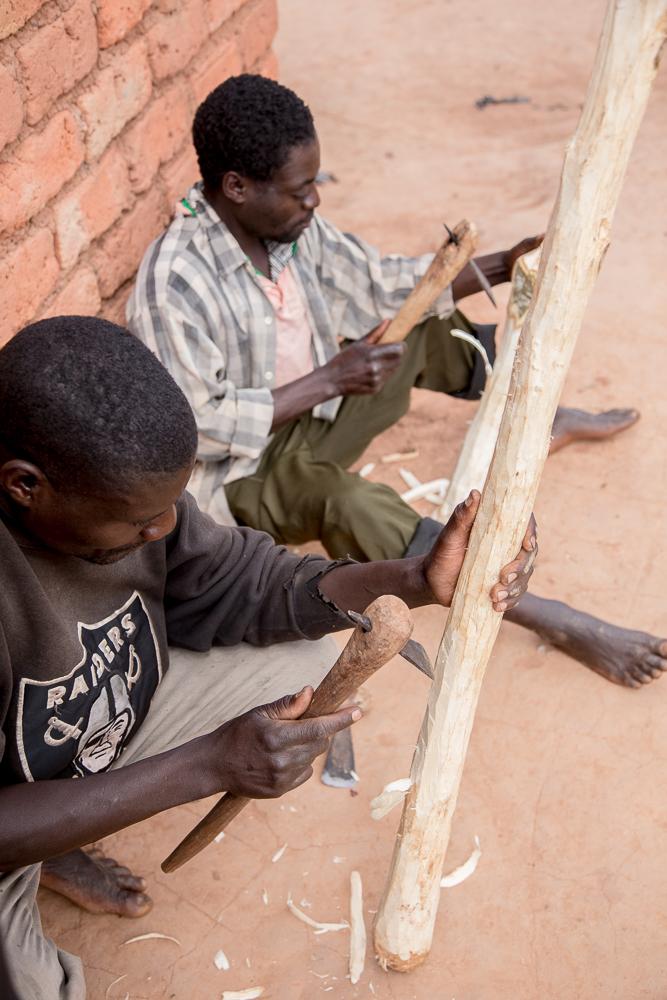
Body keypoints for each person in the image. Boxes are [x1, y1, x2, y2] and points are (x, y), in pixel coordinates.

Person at [0, 316, 535, 998]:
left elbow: (239, 578)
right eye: (138, 520)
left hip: (80, 742)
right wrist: (205, 764)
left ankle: (62, 832)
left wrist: (411, 577)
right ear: (24, 485)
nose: (162, 529)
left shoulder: (125, 504)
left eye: (170, 507)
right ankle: (40, 850)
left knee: (301, 664)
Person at [129, 73, 666, 690]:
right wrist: (331, 378)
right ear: (237, 187)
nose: (315, 203)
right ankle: (547, 614)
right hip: (242, 473)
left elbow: (385, 283)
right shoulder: (174, 281)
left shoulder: (284, 230)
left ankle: (536, 413)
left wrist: (501, 262)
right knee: (346, 502)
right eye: (301, 190)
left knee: (417, 331)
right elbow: (194, 428)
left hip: (315, 416)